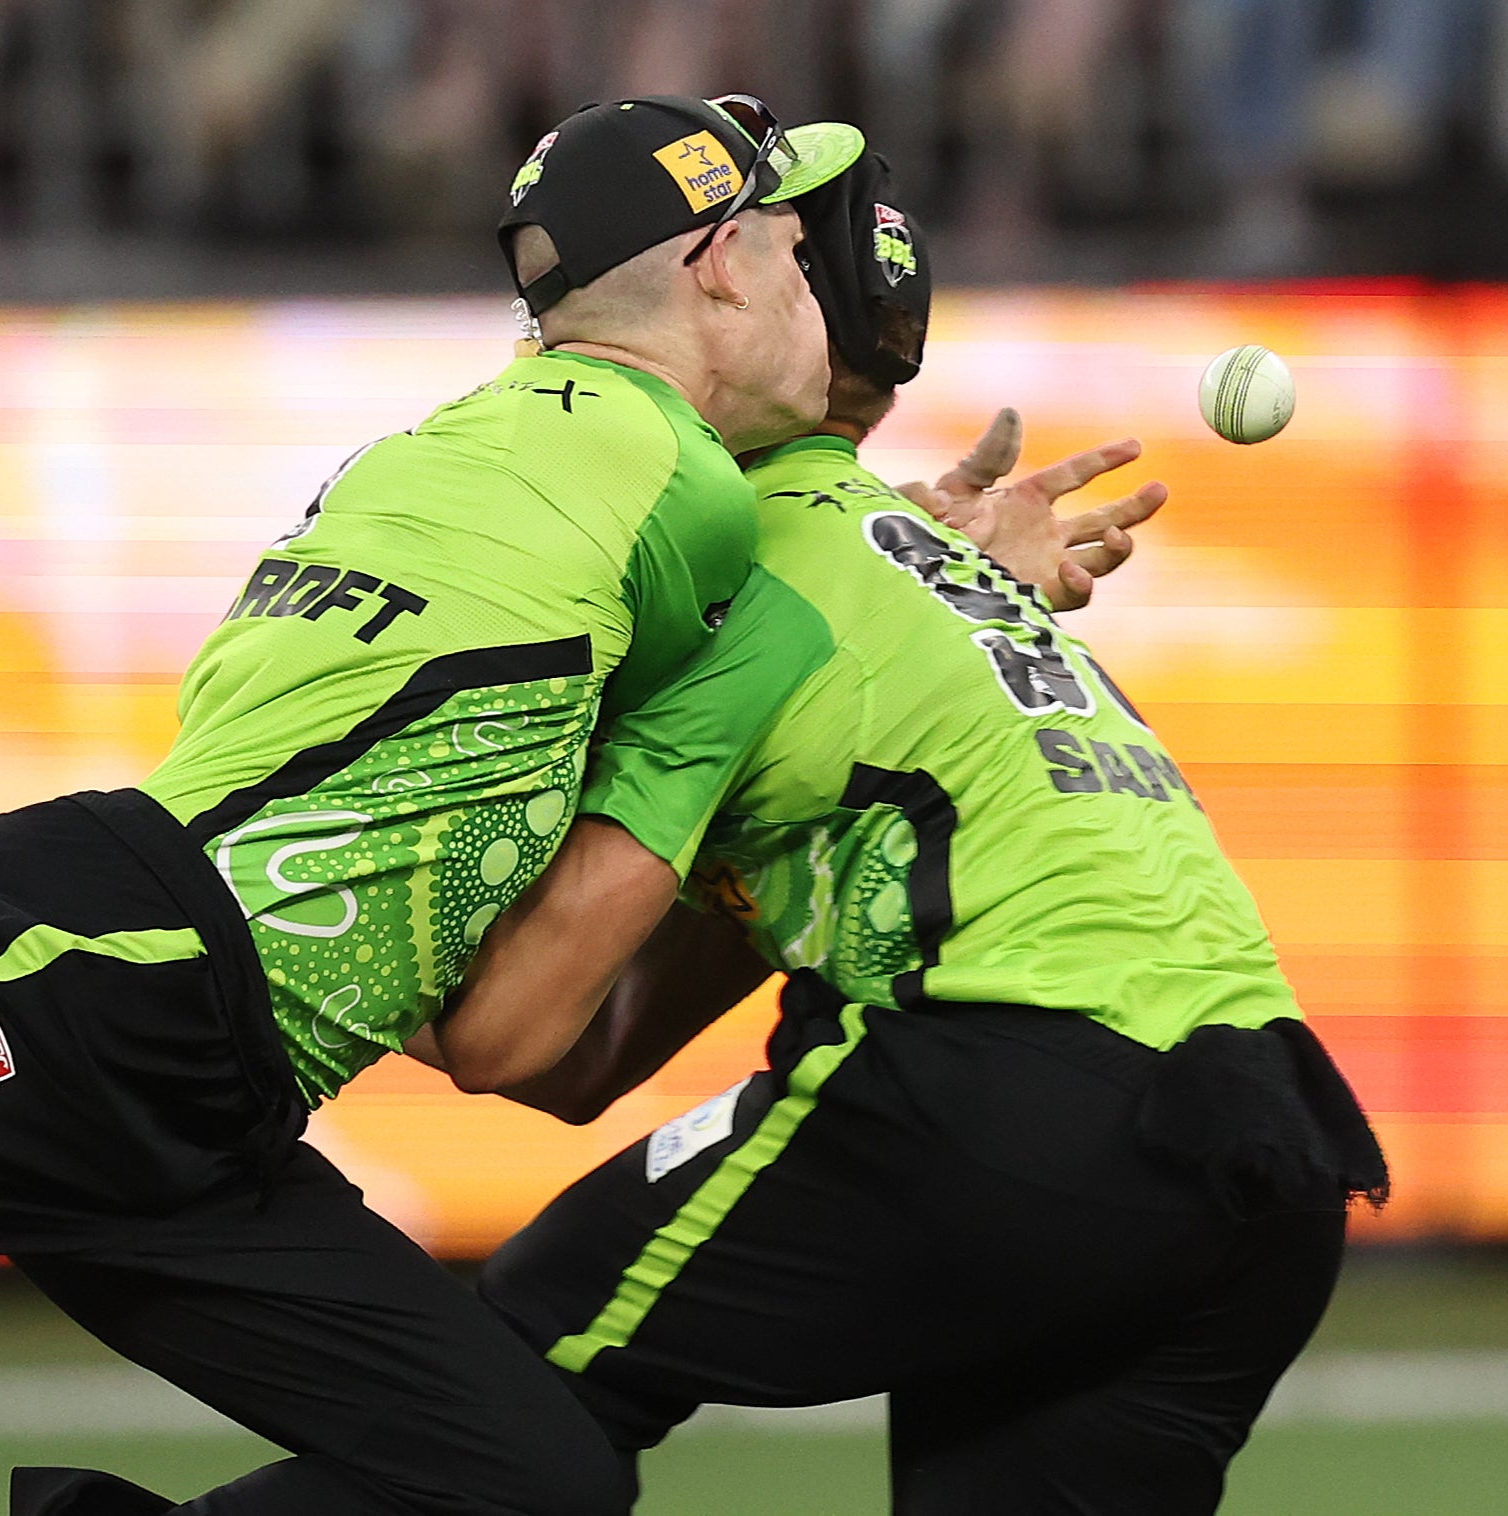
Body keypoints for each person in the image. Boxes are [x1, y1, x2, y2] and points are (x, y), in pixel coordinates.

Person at [0, 94, 846, 1516]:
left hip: (216, 1091)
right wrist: (933, 559)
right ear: (715, 263)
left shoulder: (488, 444)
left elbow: (505, 1028)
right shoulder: (671, 485)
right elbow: (808, 588)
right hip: (115, 984)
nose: (817, 298)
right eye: (792, 253)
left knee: (533, 1488)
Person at [445, 150, 1391, 1515]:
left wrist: (316, 946)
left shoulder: (709, 553)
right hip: (1270, 1132)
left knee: (492, 1383)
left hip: (1010, 1098)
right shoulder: (922, 568)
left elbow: (526, 1038)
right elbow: (585, 1054)